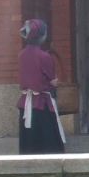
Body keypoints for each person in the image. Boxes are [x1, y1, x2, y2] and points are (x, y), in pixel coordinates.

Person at [16, 18, 64, 154]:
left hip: (26, 104)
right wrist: (54, 82)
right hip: (42, 105)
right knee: (48, 145)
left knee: (29, 144)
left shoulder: (21, 55)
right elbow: (51, 79)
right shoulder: (44, 56)